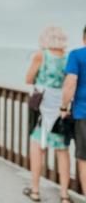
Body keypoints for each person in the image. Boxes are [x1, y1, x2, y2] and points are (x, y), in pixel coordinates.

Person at [23, 26, 71, 202]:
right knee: (62, 151)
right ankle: (64, 195)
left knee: (37, 148)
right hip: (61, 108)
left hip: (42, 108)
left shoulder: (41, 55)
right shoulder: (68, 57)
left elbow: (28, 78)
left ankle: (35, 191)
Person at [61, 25, 86, 195]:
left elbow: (70, 83)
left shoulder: (77, 55)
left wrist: (63, 107)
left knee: (84, 160)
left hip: (83, 113)